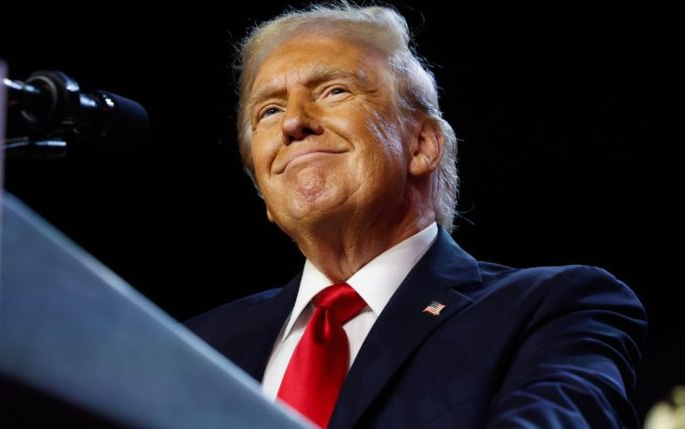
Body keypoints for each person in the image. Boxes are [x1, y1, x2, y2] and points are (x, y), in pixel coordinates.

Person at [185, 4, 647, 428]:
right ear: (264, 189)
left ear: (422, 146)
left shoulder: (551, 310)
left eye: (333, 90)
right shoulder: (194, 347)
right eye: (269, 110)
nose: (293, 122)